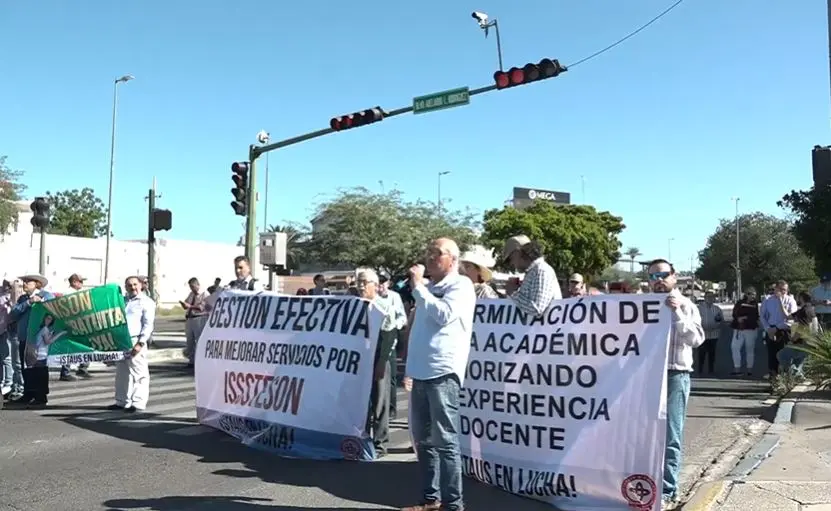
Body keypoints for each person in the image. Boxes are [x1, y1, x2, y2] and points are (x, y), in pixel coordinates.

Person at [402, 238, 476, 511]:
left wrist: (419, 287)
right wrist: (409, 367)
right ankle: (430, 499)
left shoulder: (461, 285)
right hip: (421, 372)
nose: (430, 257)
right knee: (424, 441)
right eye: (428, 252)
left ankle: (453, 504)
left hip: (443, 372)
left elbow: (443, 316)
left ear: (452, 260)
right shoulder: (428, 288)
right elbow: (420, 330)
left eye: (437, 253)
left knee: (445, 441)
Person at [646, 259, 704, 506]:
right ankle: (644, 484)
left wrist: (677, 312)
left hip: (674, 375)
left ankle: (669, 489)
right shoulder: (642, 305)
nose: (658, 280)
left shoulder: (687, 305)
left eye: (662, 275)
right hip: (646, 376)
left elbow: (697, 339)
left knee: (671, 434)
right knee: (644, 433)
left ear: (674, 276)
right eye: (652, 277)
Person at [108, 276, 155, 413]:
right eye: (129, 285)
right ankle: (121, 401)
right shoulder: (123, 301)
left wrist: (141, 342)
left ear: (141, 285)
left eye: (135, 284)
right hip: (121, 340)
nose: (132, 287)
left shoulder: (146, 302)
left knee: (139, 373)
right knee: (122, 373)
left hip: (135, 340)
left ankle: (138, 403)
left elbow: (148, 324)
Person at [8, 274, 55, 406]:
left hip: (39, 340)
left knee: (39, 367)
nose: (24, 284)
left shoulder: (46, 295)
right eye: (24, 282)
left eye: (28, 282)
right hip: (24, 337)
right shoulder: (23, 298)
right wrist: (28, 303)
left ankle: (40, 396)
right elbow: (14, 313)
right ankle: (28, 393)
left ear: (37, 284)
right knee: (26, 367)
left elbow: (52, 312)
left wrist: (41, 304)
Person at [501, 235, 562, 317]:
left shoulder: (541, 270)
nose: (511, 264)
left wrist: (513, 293)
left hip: (546, 329)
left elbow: (537, 309)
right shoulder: (534, 272)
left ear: (518, 253)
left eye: (510, 259)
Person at [760, 280, 798, 381]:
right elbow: (762, 316)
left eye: (785, 290)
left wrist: (777, 328)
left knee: (784, 355)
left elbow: (792, 319)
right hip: (771, 330)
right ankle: (773, 379)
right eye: (780, 289)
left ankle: (785, 379)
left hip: (784, 330)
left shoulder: (790, 300)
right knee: (772, 355)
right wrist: (768, 329)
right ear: (776, 288)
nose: (783, 292)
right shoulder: (768, 300)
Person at [778, 292, 818, 377]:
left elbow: (803, 328)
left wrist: (793, 339)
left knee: (781, 355)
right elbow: (788, 316)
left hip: (803, 342)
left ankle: (796, 374)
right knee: (798, 363)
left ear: (801, 298)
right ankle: (798, 377)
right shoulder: (809, 309)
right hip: (809, 343)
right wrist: (781, 302)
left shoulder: (804, 311)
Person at [181, 277, 209, 369]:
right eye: (190, 287)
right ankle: (191, 361)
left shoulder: (205, 294)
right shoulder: (191, 294)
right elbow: (187, 303)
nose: (192, 289)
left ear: (198, 285)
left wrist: (190, 306)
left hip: (199, 318)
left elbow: (201, 307)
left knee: (198, 340)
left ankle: (199, 361)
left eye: (193, 286)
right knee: (190, 341)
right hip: (190, 318)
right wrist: (185, 305)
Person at [731, 287, 760, 376]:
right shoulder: (739, 303)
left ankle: (749, 369)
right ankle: (737, 369)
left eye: (754, 294)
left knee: (749, 349)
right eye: (751, 294)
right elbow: (734, 313)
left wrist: (745, 318)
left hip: (750, 329)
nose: (752, 296)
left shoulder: (754, 304)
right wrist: (738, 318)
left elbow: (755, 316)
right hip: (739, 329)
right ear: (746, 294)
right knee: (734, 347)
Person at [697, 292, 724, 375]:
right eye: (708, 297)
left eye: (712, 297)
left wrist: (717, 325)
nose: (710, 299)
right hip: (702, 335)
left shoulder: (717, 309)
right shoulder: (699, 308)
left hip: (714, 334)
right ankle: (700, 369)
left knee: (712, 353)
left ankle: (711, 370)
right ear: (705, 298)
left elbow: (721, 320)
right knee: (701, 353)